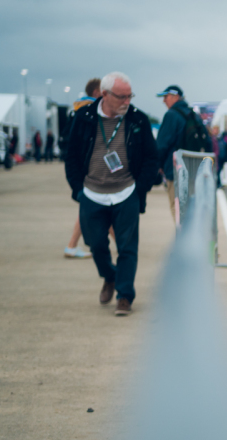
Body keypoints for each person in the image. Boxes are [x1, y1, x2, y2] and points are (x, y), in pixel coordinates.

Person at [64, 71, 158, 316]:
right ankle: (110, 276)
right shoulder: (84, 117)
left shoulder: (138, 119)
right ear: (104, 95)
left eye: (130, 96)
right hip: (92, 193)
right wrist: (78, 190)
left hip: (126, 192)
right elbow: (71, 155)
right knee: (96, 244)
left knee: (127, 247)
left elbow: (151, 157)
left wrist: (140, 189)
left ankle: (125, 295)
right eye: (121, 97)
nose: (127, 101)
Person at [65, 79, 105, 258]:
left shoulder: (78, 110)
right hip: (91, 169)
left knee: (90, 207)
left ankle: (72, 246)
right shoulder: (91, 111)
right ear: (97, 92)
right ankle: (123, 245)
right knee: (101, 207)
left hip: (83, 169)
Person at [154, 85, 204, 216]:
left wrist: (158, 165)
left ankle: (183, 235)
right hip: (193, 168)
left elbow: (162, 144)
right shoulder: (193, 114)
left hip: (174, 169)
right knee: (189, 207)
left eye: (166, 97)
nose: (164, 101)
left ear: (174, 97)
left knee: (176, 208)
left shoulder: (171, 115)